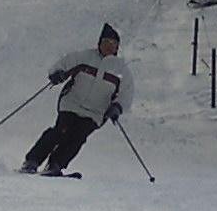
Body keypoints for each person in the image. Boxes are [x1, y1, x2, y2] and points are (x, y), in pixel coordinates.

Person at [21, 23, 134, 175]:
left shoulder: (121, 70)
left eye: (113, 43)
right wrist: (57, 74)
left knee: (78, 136)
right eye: (105, 42)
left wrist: (117, 107)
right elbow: (63, 64)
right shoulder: (84, 57)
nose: (109, 46)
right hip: (72, 103)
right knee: (61, 130)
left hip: (96, 112)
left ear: (117, 47)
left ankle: (56, 165)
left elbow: (126, 94)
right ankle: (32, 161)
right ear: (99, 43)